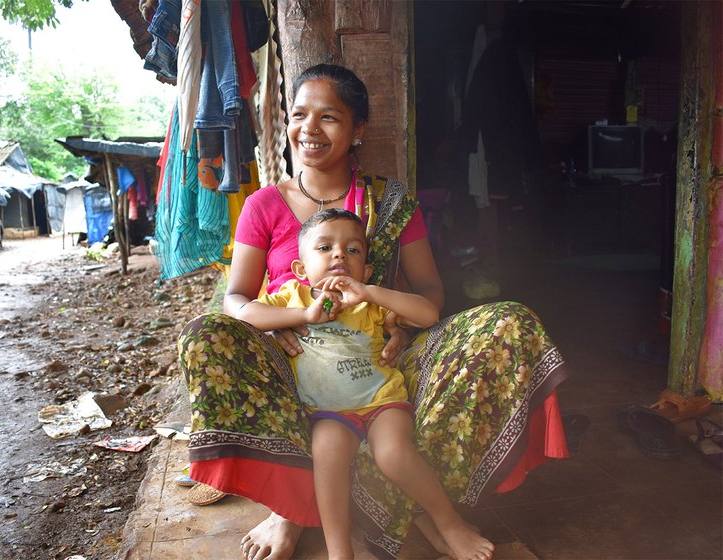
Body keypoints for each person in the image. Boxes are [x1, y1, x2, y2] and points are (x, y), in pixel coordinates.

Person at [179, 63, 570, 560]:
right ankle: (290, 510)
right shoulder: (262, 205)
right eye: (299, 115)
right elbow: (235, 297)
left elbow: (429, 293)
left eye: (329, 117)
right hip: (290, 357)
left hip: (378, 354)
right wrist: (280, 321)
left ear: (357, 128)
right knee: (204, 335)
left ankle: (426, 509)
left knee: (508, 322)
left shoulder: (390, 201)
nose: (309, 130)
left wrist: (396, 324)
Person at [236, 208, 495, 560]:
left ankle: (451, 525)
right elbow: (246, 313)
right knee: (326, 457)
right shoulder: (292, 299)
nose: (340, 254)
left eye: (353, 250)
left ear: (366, 270)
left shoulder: (368, 303)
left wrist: (372, 292)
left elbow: (427, 314)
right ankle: (340, 553)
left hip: (382, 403)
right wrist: (303, 316)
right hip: (328, 413)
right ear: (300, 269)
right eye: (324, 248)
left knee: (394, 454)